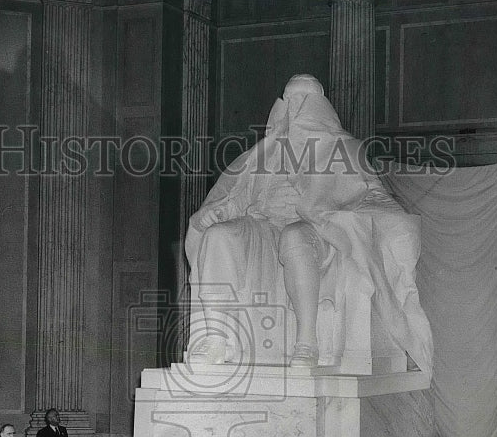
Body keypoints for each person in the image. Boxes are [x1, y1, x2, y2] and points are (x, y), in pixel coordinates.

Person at [184, 73, 432, 370]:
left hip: (318, 232)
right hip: (263, 228)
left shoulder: (346, 150)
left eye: (303, 101)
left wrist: (320, 210)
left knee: (295, 237)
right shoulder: (261, 154)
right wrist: (215, 215)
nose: (294, 110)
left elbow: (375, 199)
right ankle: (216, 337)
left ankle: (307, 341)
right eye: (289, 101)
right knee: (218, 236)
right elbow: (235, 196)